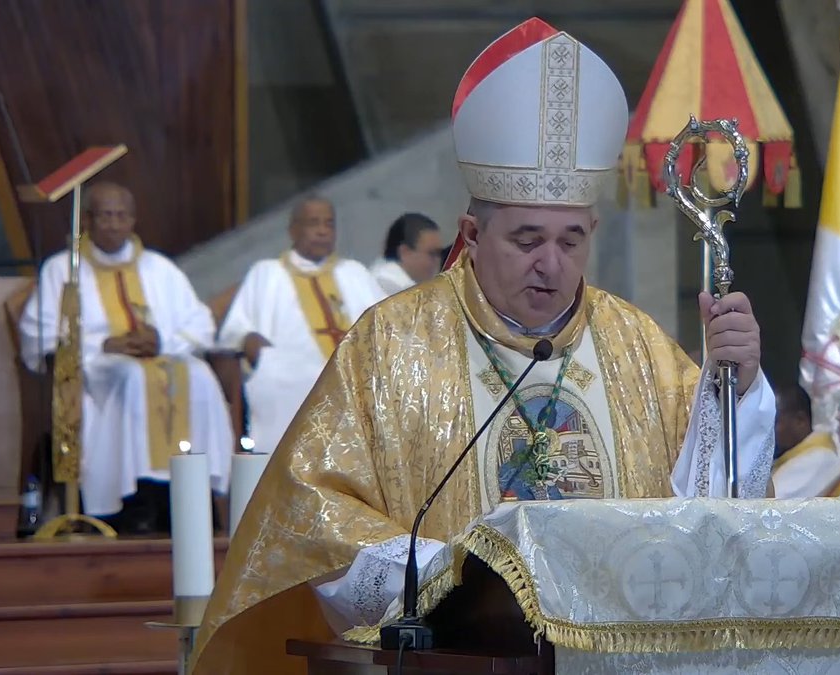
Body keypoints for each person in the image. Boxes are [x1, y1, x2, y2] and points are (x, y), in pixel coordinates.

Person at [191, 18, 777, 673]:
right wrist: (445, 578)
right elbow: (310, 512)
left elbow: (713, 510)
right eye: (527, 240)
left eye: (570, 241)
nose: (551, 265)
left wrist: (738, 388)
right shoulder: (390, 345)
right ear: (472, 232)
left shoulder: (636, 344)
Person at [19, 182, 233, 534]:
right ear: (87, 219)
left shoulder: (160, 268)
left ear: (133, 219)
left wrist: (160, 340)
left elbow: (199, 323)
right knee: (131, 378)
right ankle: (131, 499)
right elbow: (40, 333)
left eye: (122, 216)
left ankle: (194, 494)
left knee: (199, 376)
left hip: (163, 357)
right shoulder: (63, 269)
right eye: (106, 216)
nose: (115, 224)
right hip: (97, 368)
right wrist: (105, 344)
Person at [216, 196, 386, 455]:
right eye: (313, 223)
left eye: (329, 224)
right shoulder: (267, 272)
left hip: (355, 369)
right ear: (293, 230)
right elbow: (234, 331)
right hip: (291, 370)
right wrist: (250, 341)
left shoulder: (355, 272)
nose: (322, 230)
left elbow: (387, 323)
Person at [768, 383, 840, 498]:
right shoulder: (793, 454)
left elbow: (768, 504)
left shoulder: (820, 458)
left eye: (773, 422)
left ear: (800, 420)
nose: (767, 431)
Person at [369, 212, 445, 296]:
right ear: (404, 252)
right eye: (432, 254)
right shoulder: (390, 289)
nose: (437, 261)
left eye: (439, 254)